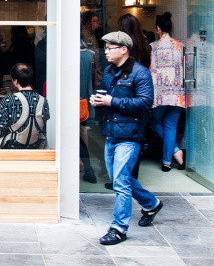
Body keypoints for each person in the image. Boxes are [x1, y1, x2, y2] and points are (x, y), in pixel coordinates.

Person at [90, 31, 162, 246]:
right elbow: (107, 99)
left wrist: (111, 102)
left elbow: (145, 102)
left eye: (110, 48)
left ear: (124, 50)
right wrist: (98, 101)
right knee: (120, 179)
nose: (106, 52)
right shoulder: (109, 72)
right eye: (105, 48)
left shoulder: (140, 73)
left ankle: (119, 228)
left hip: (130, 135)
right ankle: (151, 203)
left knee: (120, 182)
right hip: (111, 132)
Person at [149, 12, 186, 171]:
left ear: (158, 28)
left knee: (154, 120)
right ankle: (167, 161)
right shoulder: (180, 46)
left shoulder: (153, 47)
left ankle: (175, 151)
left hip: (160, 94)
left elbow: (150, 70)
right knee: (171, 125)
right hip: (177, 93)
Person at [0, 63, 49, 149]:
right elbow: (45, 127)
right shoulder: (43, 101)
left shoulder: (9, 100)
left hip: (11, 148)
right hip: (35, 147)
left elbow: (0, 128)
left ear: (16, 81)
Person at [79, 39, 97, 183]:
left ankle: (86, 167)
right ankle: (85, 166)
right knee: (82, 131)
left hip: (73, 100)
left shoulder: (72, 54)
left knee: (75, 134)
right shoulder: (88, 54)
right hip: (84, 98)